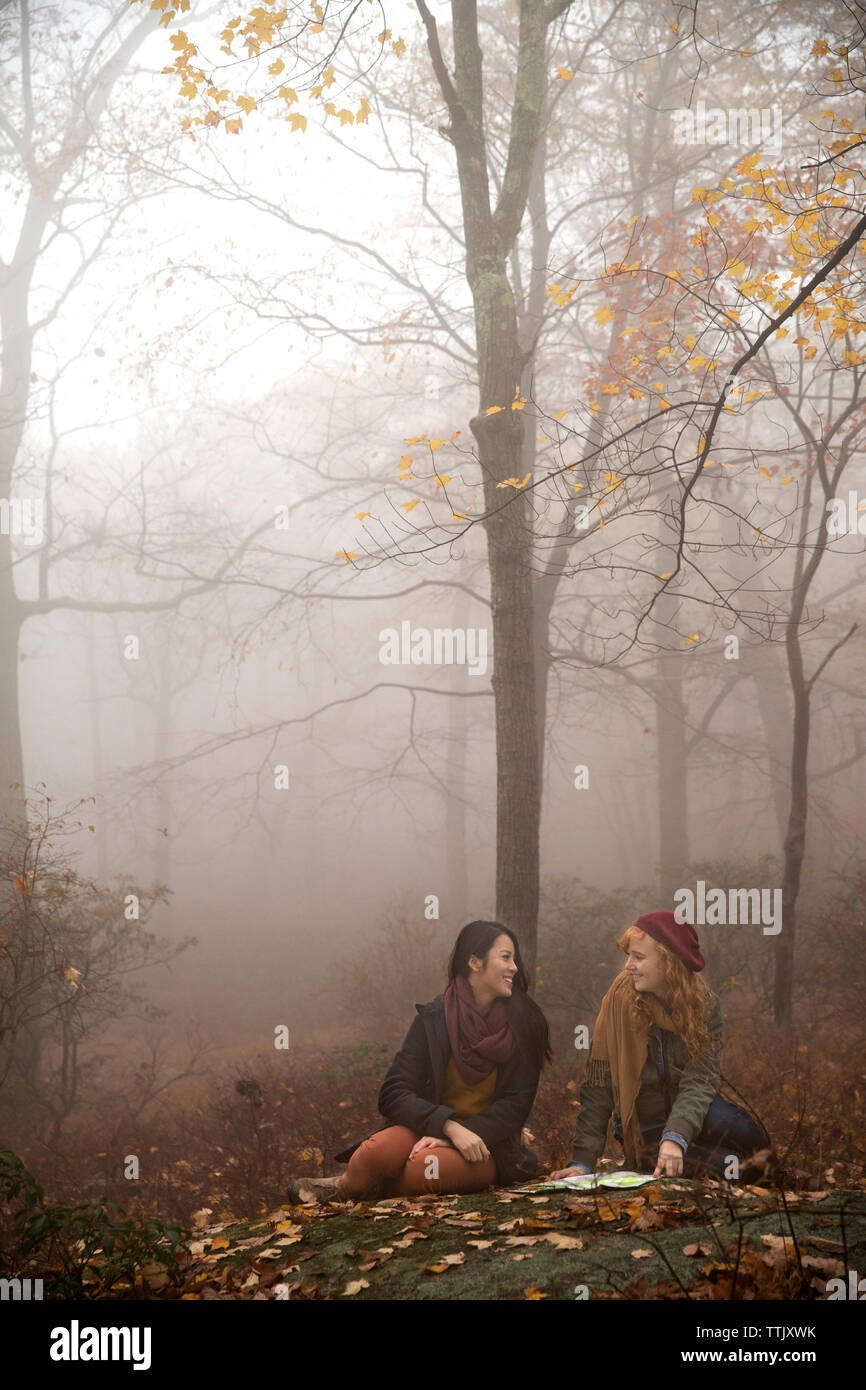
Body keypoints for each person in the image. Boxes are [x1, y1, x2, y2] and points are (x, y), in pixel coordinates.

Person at [286, 920, 551, 1203]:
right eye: (506, 957)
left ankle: (350, 1188)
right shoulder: (435, 1017)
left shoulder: (526, 1024)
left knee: (422, 1169)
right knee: (375, 1152)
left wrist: (460, 1136)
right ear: (475, 961)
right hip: (427, 1129)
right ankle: (346, 1188)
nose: (515, 968)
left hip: (486, 1145)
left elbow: (515, 1106)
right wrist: (447, 1127)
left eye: (515, 960)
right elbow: (393, 1092)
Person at [550, 911, 768, 1182]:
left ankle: (772, 1168)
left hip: (695, 1115)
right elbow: (598, 1087)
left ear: (669, 963)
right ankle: (770, 1174)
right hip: (647, 1130)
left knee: (747, 1134)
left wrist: (675, 1137)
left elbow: (700, 1081)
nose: (628, 965)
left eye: (638, 958)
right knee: (732, 1168)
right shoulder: (619, 1004)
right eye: (629, 955)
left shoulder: (705, 1005)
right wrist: (582, 1162)